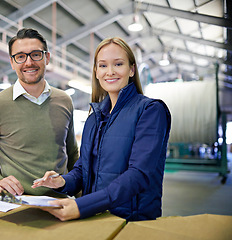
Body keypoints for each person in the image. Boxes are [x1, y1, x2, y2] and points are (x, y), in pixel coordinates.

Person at [32, 37, 171, 221]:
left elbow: (139, 174)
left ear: (131, 69)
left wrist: (82, 205)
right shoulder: (94, 119)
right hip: (95, 217)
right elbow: (83, 170)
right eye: (103, 66)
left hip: (130, 221)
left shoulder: (150, 111)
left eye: (118, 64)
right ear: (96, 72)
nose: (110, 72)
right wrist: (62, 181)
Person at [0, 28, 79, 197]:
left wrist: (78, 190)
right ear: (12, 62)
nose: (28, 62)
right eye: (20, 56)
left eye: (36, 54)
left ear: (47, 58)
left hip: (60, 200)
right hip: (16, 201)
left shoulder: (64, 100)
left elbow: (72, 153)